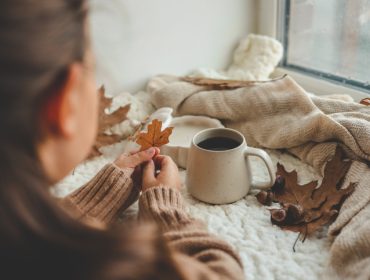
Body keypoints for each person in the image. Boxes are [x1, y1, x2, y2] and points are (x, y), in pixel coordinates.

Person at [0, 0, 244, 279]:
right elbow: (222, 272)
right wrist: (166, 208)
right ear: (63, 105)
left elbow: (35, 232)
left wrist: (105, 193)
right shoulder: (113, 266)